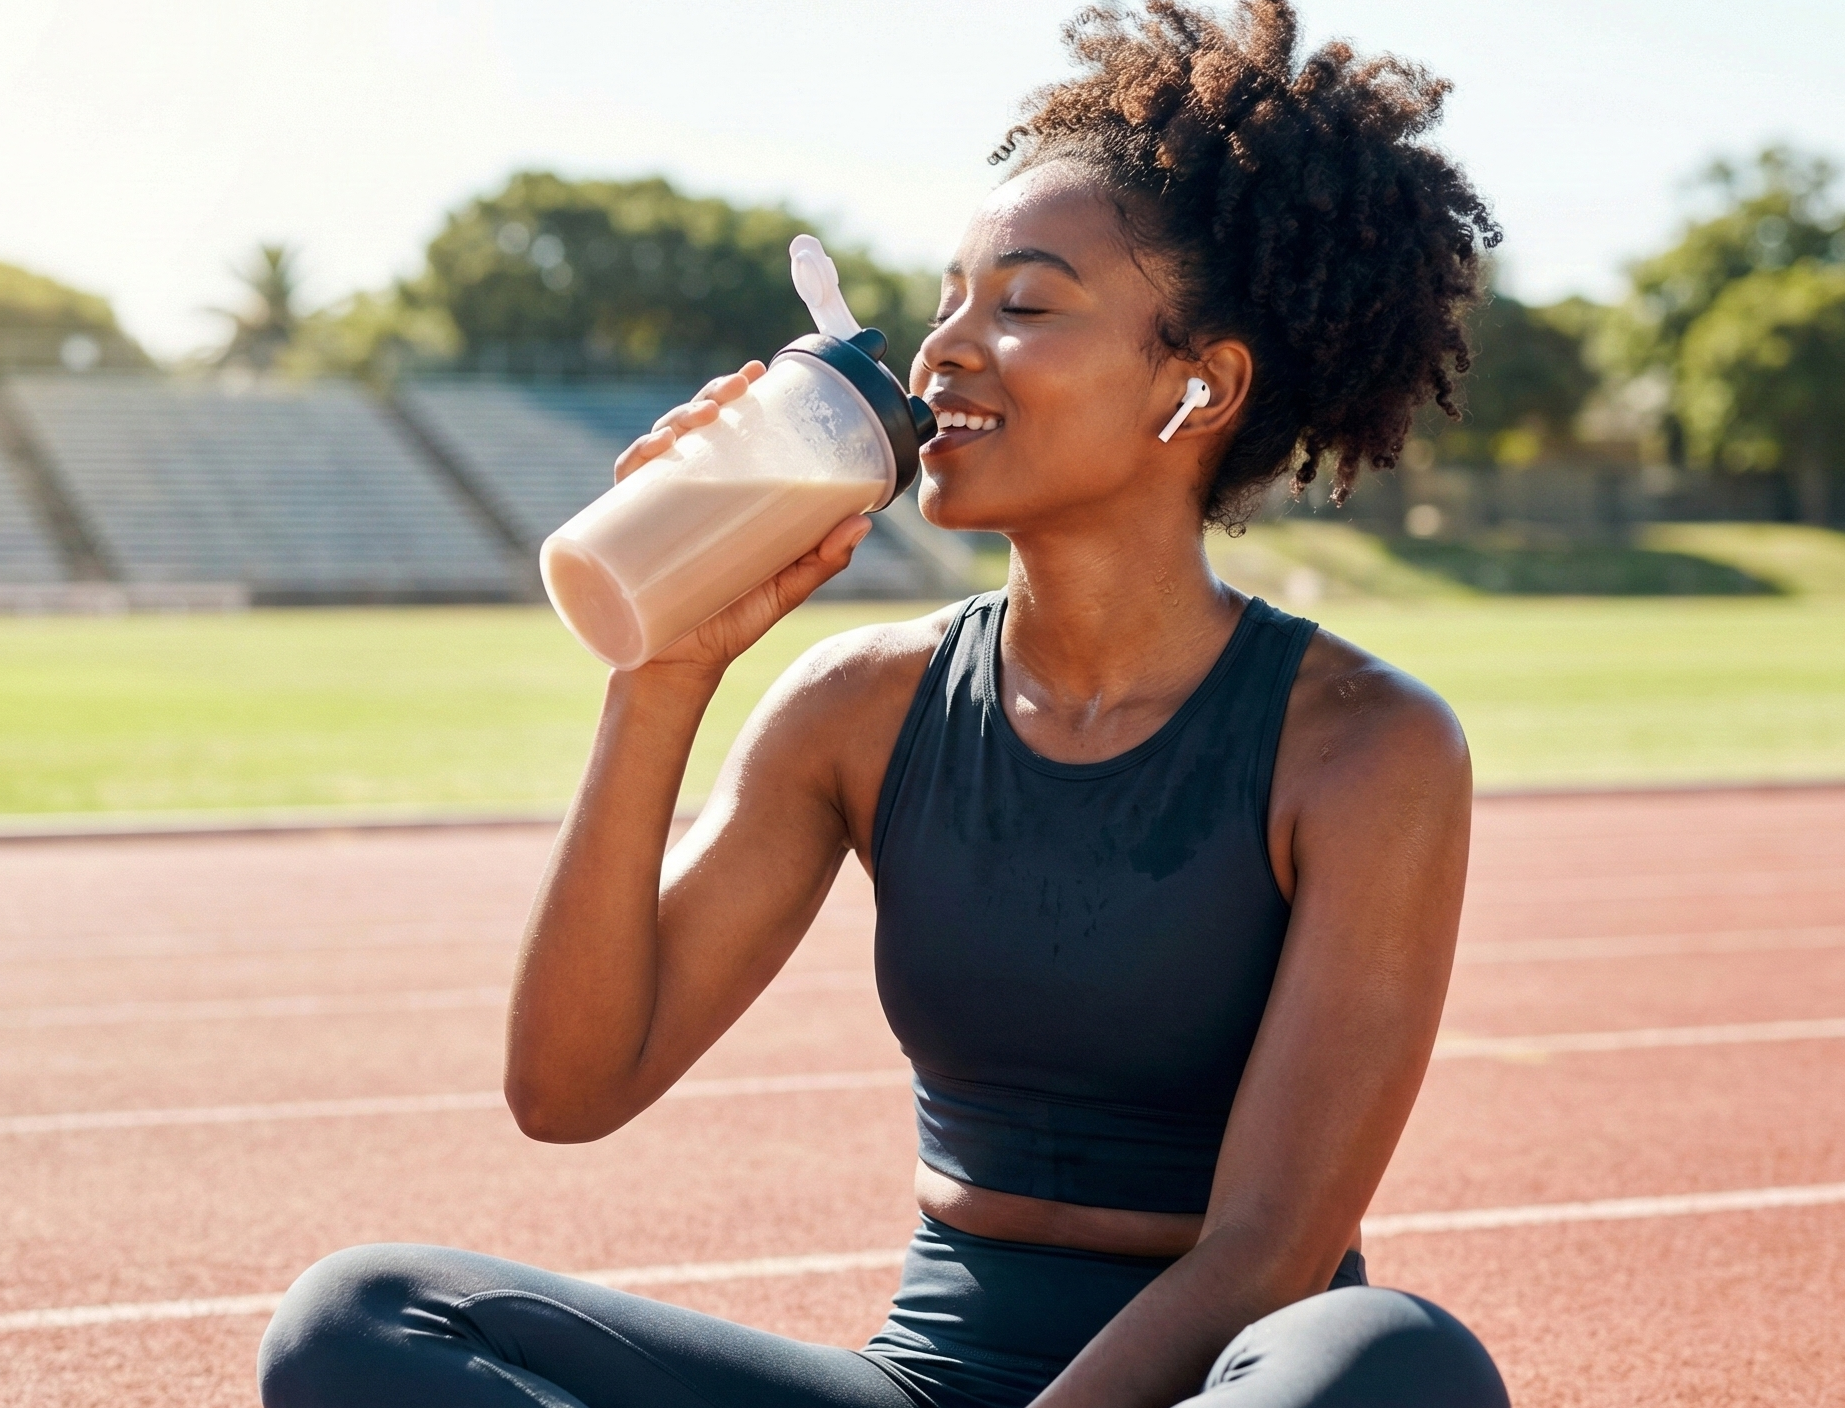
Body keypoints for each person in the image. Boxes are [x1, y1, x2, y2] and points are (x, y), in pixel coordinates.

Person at [261, 2, 1509, 1403]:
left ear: (1200, 386)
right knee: (362, 1319)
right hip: (933, 1380)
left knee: (1389, 1357)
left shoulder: (1364, 748)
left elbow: (1270, 1252)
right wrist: (661, 671)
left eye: (1024, 306)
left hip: (1220, 1379)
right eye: (946, 303)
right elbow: (569, 1088)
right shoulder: (860, 704)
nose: (943, 355)